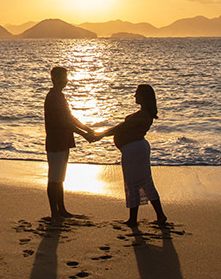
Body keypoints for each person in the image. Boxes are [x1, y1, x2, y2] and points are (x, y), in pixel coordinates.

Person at [95, 84, 169, 227]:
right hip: (136, 149)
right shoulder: (145, 114)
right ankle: (158, 215)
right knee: (144, 183)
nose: (134, 96)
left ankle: (135, 219)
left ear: (144, 97)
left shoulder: (143, 115)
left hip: (134, 151)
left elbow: (121, 128)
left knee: (134, 183)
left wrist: (100, 135)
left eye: (137, 93)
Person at [43, 66, 95, 218]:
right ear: (56, 78)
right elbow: (63, 122)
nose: (67, 80)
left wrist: (86, 128)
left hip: (63, 141)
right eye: (64, 77)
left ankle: (62, 210)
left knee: (60, 178)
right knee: (54, 178)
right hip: (56, 141)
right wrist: (84, 134)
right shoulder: (53, 97)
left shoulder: (59, 96)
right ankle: (55, 212)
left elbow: (70, 118)